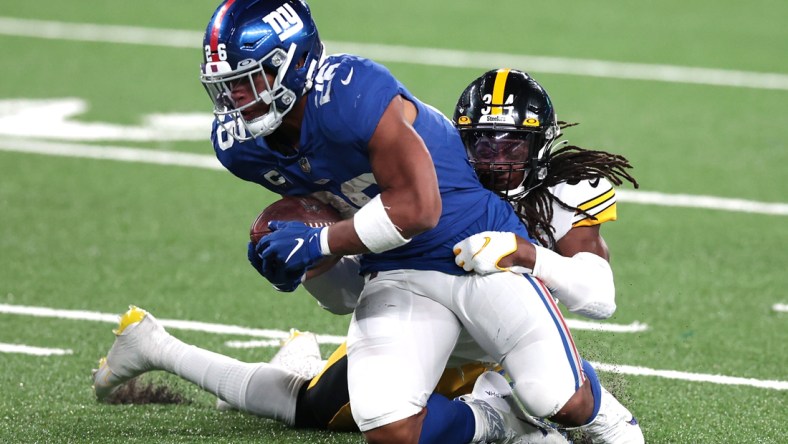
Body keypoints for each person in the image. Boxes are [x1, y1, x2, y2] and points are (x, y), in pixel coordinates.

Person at [93, 62, 643, 443]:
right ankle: (164, 347)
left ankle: (584, 420)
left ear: (540, 145)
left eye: (510, 145)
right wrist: (313, 262)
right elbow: (348, 294)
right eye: (478, 142)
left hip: (501, 337)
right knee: (313, 408)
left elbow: (599, 296)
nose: (494, 159)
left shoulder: (563, 193)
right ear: (455, 140)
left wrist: (526, 253)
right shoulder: (420, 177)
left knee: (551, 391)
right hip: (428, 326)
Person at [197, 0, 605, 443]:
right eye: (227, 85)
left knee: (564, 400)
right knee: (385, 427)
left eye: (247, 80)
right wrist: (299, 265)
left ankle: (612, 421)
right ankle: (498, 422)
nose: (235, 99)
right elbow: (336, 245)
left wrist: (317, 245)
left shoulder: (351, 93)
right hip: (393, 268)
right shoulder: (241, 147)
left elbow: (418, 209)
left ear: (292, 64)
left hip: (473, 253)